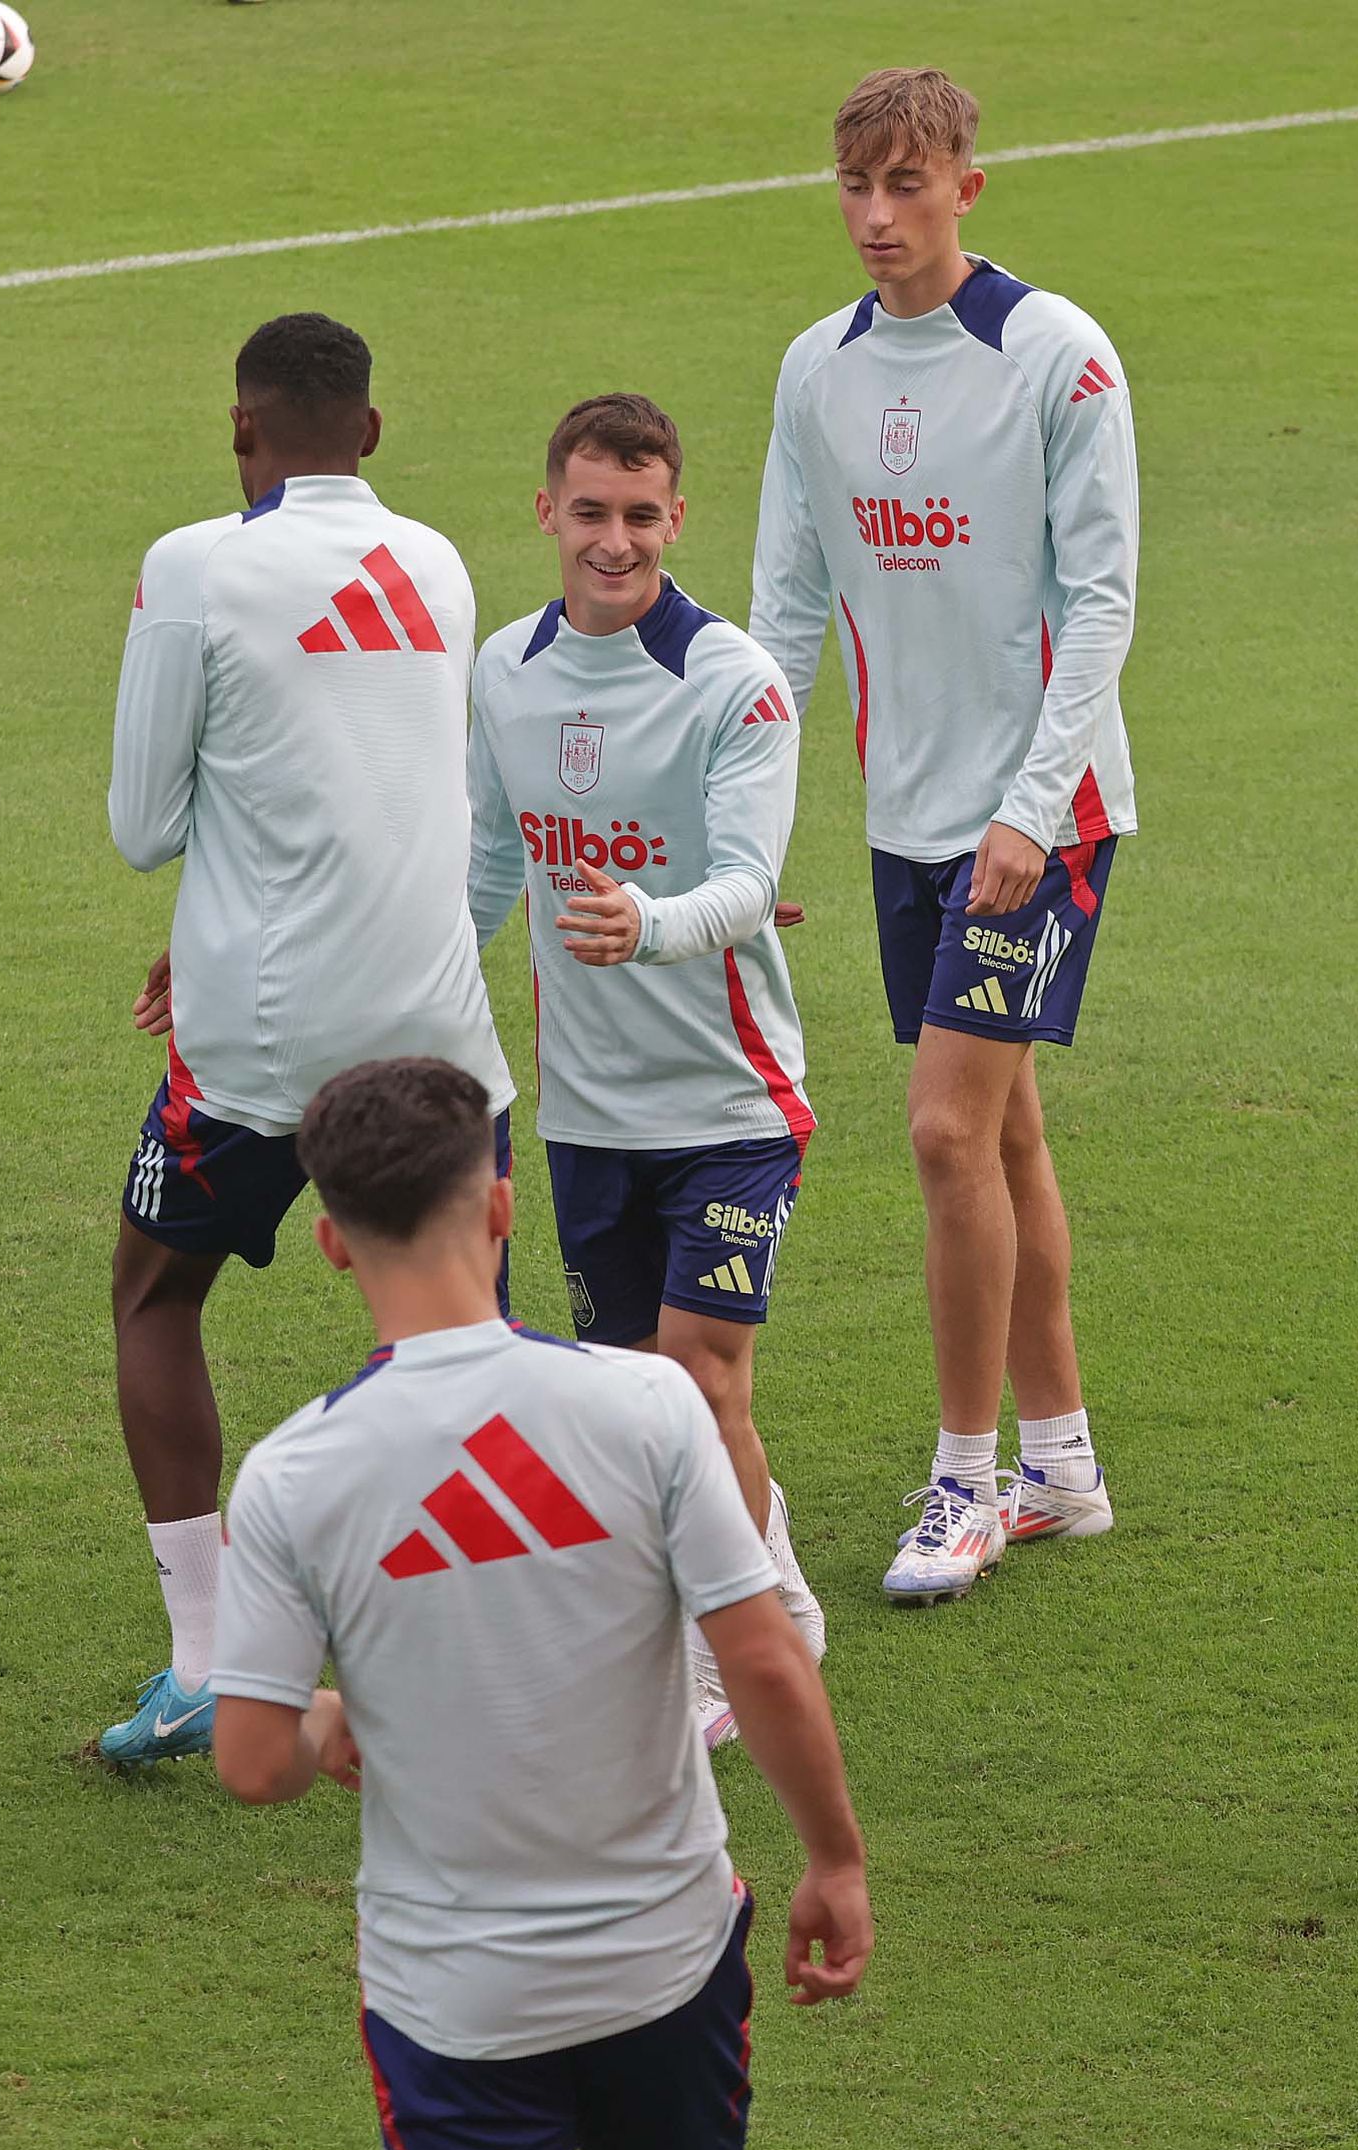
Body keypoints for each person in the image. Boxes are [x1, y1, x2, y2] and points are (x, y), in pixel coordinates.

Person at [212, 1058, 874, 2150]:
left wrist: (327, 1723)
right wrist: (836, 1860)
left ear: (331, 1243)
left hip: (454, 2009)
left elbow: (250, 1761)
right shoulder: (649, 1403)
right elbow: (761, 1661)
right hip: (664, 1966)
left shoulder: (291, 1475)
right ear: (503, 1205)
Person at [100, 313, 515, 1762]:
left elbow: (145, 824)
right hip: (437, 1021)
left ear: (239, 431)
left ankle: (209, 1657)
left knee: (154, 1293)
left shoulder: (194, 566)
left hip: (261, 1037)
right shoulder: (444, 561)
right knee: (461, 1337)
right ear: (375, 435)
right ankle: (479, 1659)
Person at [749, 68, 1137, 1602]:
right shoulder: (813, 372)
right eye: (855, 185)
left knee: (939, 1129)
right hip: (903, 813)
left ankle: (963, 1482)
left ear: (969, 185)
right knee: (1004, 1131)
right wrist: (745, 832)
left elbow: (1101, 600)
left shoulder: (1058, 355)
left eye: (908, 184)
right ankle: (1065, 1466)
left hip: (1046, 813)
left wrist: (1030, 811)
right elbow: (782, 617)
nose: (877, 215)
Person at [465, 394, 824, 1745]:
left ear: (678, 519)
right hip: (589, 1113)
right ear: (547, 511)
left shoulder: (735, 684)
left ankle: (720, 1653)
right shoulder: (504, 669)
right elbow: (494, 857)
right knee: (642, 1402)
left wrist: (647, 924)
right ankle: (775, 1588)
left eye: (642, 517)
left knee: (699, 1377)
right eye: (591, 513)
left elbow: (749, 883)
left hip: (733, 1099)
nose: (615, 543)